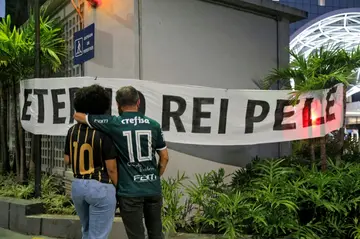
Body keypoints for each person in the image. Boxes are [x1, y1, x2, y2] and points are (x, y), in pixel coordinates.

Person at [74, 86, 169, 239]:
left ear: (117, 105)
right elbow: (164, 157)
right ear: (138, 103)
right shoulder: (154, 124)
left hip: (129, 191)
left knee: (136, 236)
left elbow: (78, 116)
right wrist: (156, 175)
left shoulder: (114, 123)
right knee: (156, 233)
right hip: (153, 188)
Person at [64, 84, 118, 239]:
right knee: (98, 235)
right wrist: (119, 189)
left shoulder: (72, 130)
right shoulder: (104, 131)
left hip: (78, 186)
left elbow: (67, 160)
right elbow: (112, 168)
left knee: (86, 231)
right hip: (101, 187)